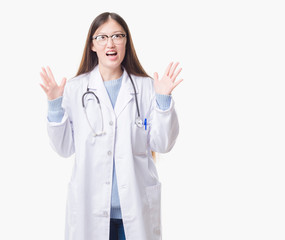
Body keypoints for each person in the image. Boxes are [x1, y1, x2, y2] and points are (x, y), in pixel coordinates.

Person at [39, 12, 182, 240]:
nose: (110, 43)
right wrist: (55, 106)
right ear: (92, 45)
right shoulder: (76, 89)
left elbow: (162, 144)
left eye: (117, 36)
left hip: (135, 211)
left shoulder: (146, 88)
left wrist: (163, 100)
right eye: (102, 37)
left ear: (126, 41)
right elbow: (64, 148)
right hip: (90, 211)